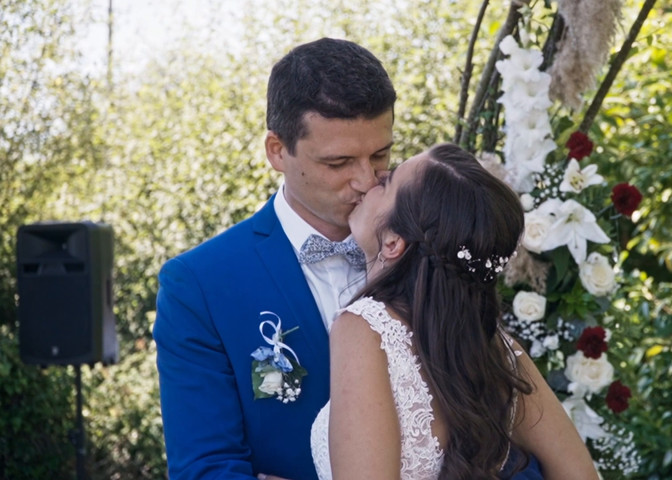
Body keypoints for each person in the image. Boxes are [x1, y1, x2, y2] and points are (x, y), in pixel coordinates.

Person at [154, 39, 545, 479]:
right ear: (277, 151)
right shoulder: (200, 285)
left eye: (380, 155)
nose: (364, 180)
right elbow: (203, 469)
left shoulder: (432, 246)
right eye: (339, 162)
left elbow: (509, 434)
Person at [309, 143, 599, 479]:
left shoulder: (363, 328)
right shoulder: (496, 350)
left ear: (393, 242)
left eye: (388, 183)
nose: (377, 176)